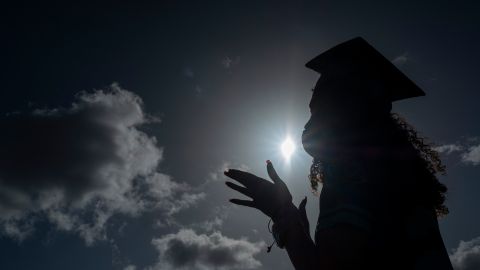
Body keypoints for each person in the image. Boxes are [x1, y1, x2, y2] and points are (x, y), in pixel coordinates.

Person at [224, 37, 454, 270]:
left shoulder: (349, 175)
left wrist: (282, 213)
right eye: (312, 111)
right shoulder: (402, 180)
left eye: (322, 109)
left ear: (352, 112)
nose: (309, 124)